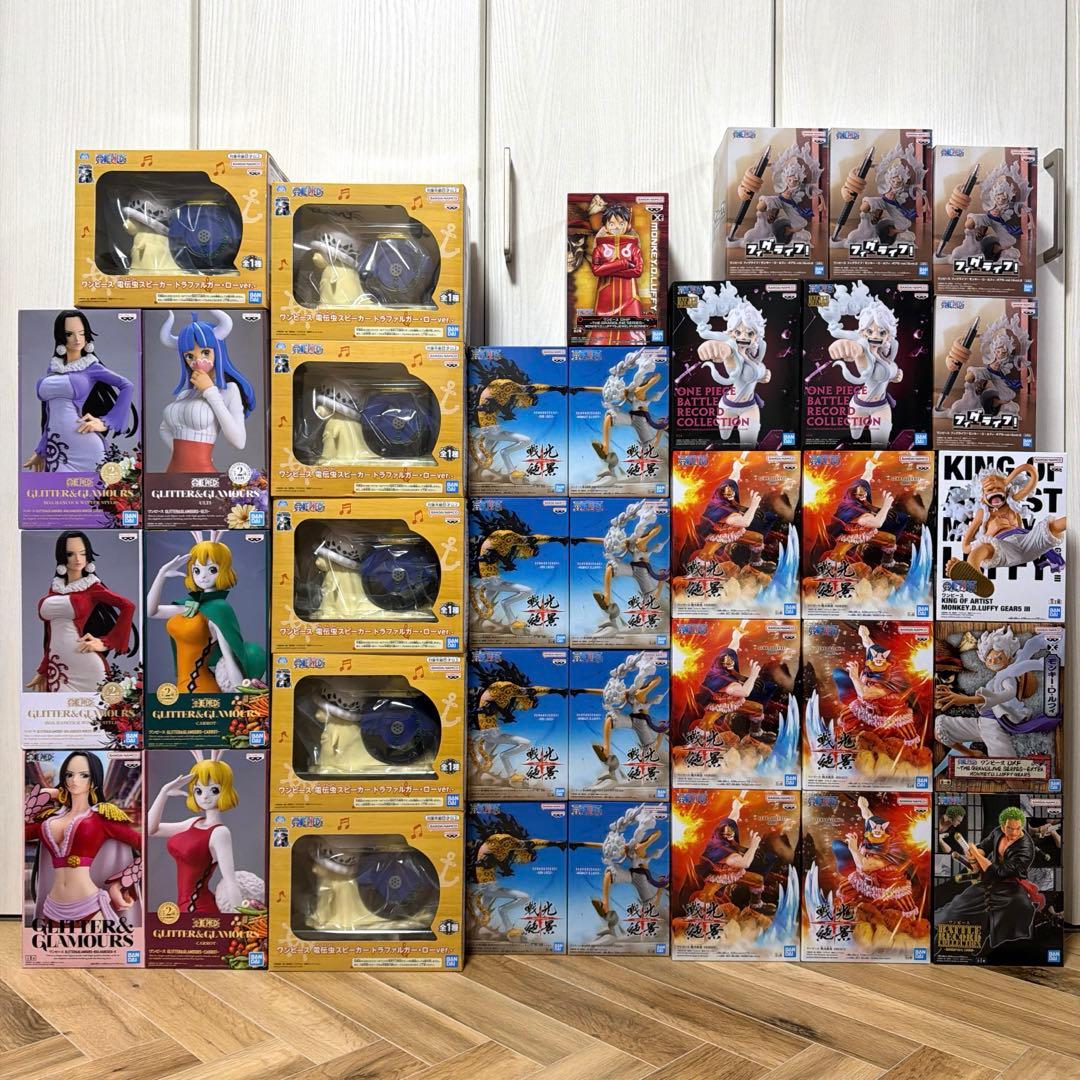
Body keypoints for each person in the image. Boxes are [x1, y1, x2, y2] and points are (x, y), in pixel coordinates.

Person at [23, 310, 135, 474]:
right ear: (61, 337)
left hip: (85, 446)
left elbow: (127, 385)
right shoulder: (54, 369)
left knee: (90, 490)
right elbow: (49, 417)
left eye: (82, 333)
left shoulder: (91, 367)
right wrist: (40, 451)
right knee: (58, 490)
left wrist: (106, 422)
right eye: (69, 334)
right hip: (57, 448)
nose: (77, 339)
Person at [28, 531, 136, 693]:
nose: (78, 559)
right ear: (61, 556)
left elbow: (128, 606)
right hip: (58, 667)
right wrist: (43, 670)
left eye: (83, 553)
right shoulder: (55, 588)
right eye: (70, 554)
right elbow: (51, 637)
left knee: (95, 709)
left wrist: (107, 642)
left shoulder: (92, 587)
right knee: (58, 708)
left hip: (86, 666)